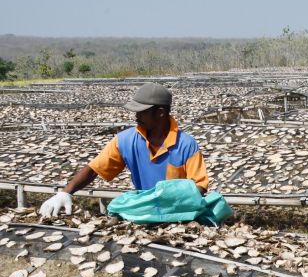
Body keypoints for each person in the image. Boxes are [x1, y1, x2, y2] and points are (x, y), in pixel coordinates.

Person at [39, 82, 209, 217]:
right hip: (144, 212)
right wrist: (66, 193)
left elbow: (199, 187)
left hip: (178, 215)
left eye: (142, 112)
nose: (136, 116)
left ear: (160, 113)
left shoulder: (186, 145)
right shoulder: (126, 140)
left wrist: (164, 197)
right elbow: (94, 169)